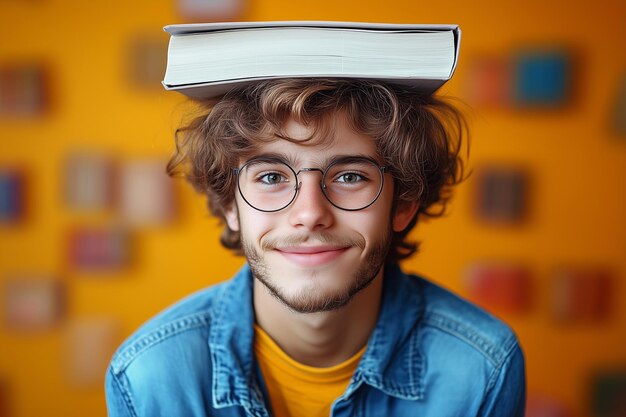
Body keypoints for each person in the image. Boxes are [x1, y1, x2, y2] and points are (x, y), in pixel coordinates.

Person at [105, 77, 526, 416]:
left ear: (403, 205)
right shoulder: (148, 374)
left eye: (349, 177)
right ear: (230, 205)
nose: (309, 213)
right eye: (271, 177)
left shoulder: (481, 368)